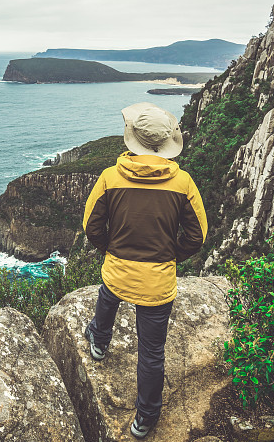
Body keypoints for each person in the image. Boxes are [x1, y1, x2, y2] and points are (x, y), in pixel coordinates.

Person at [82, 102, 207, 439]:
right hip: (157, 282)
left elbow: (91, 225)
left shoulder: (109, 177)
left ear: (132, 139)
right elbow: (197, 236)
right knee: (151, 354)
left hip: (118, 270)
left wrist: (111, 249)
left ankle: (99, 340)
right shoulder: (182, 182)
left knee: (108, 296)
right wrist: (170, 255)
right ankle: (146, 419)